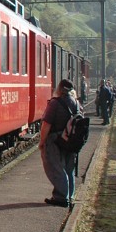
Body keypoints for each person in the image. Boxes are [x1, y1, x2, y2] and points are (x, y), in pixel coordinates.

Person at [39, 78, 79, 208]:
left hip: (56, 139)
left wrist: (42, 141)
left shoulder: (55, 103)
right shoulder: (76, 103)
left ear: (60, 89)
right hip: (72, 140)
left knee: (55, 168)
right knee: (69, 169)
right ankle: (70, 195)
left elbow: (46, 124)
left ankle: (61, 197)